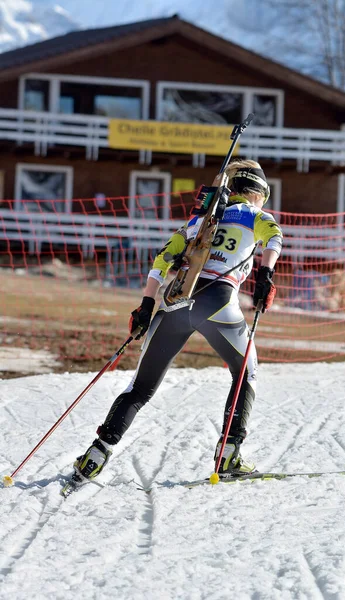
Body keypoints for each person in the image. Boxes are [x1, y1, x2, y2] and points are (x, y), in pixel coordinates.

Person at [73, 159, 283, 482]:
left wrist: (145, 304)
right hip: (217, 299)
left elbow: (163, 257)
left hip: (174, 302)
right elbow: (274, 238)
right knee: (247, 369)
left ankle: (96, 454)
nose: (262, 203)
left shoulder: (202, 218)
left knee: (139, 388)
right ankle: (228, 455)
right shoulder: (256, 215)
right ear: (254, 192)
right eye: (262, 196)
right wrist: (266, 275)